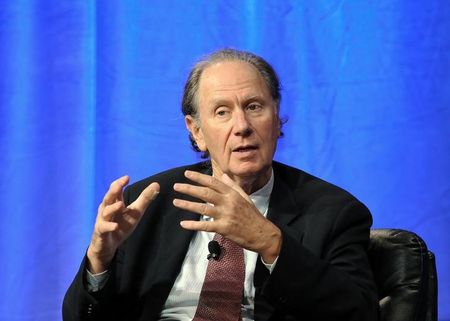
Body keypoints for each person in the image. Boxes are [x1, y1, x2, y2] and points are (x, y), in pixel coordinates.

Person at [63, 49, 379, 321]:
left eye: (254, 106)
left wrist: (273, 244)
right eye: (222, 112)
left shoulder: (334, 212)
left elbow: (360, 313)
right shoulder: (147, 204)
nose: (242, 126)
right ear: (196, 129)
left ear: (276, 116)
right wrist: (98, 260)